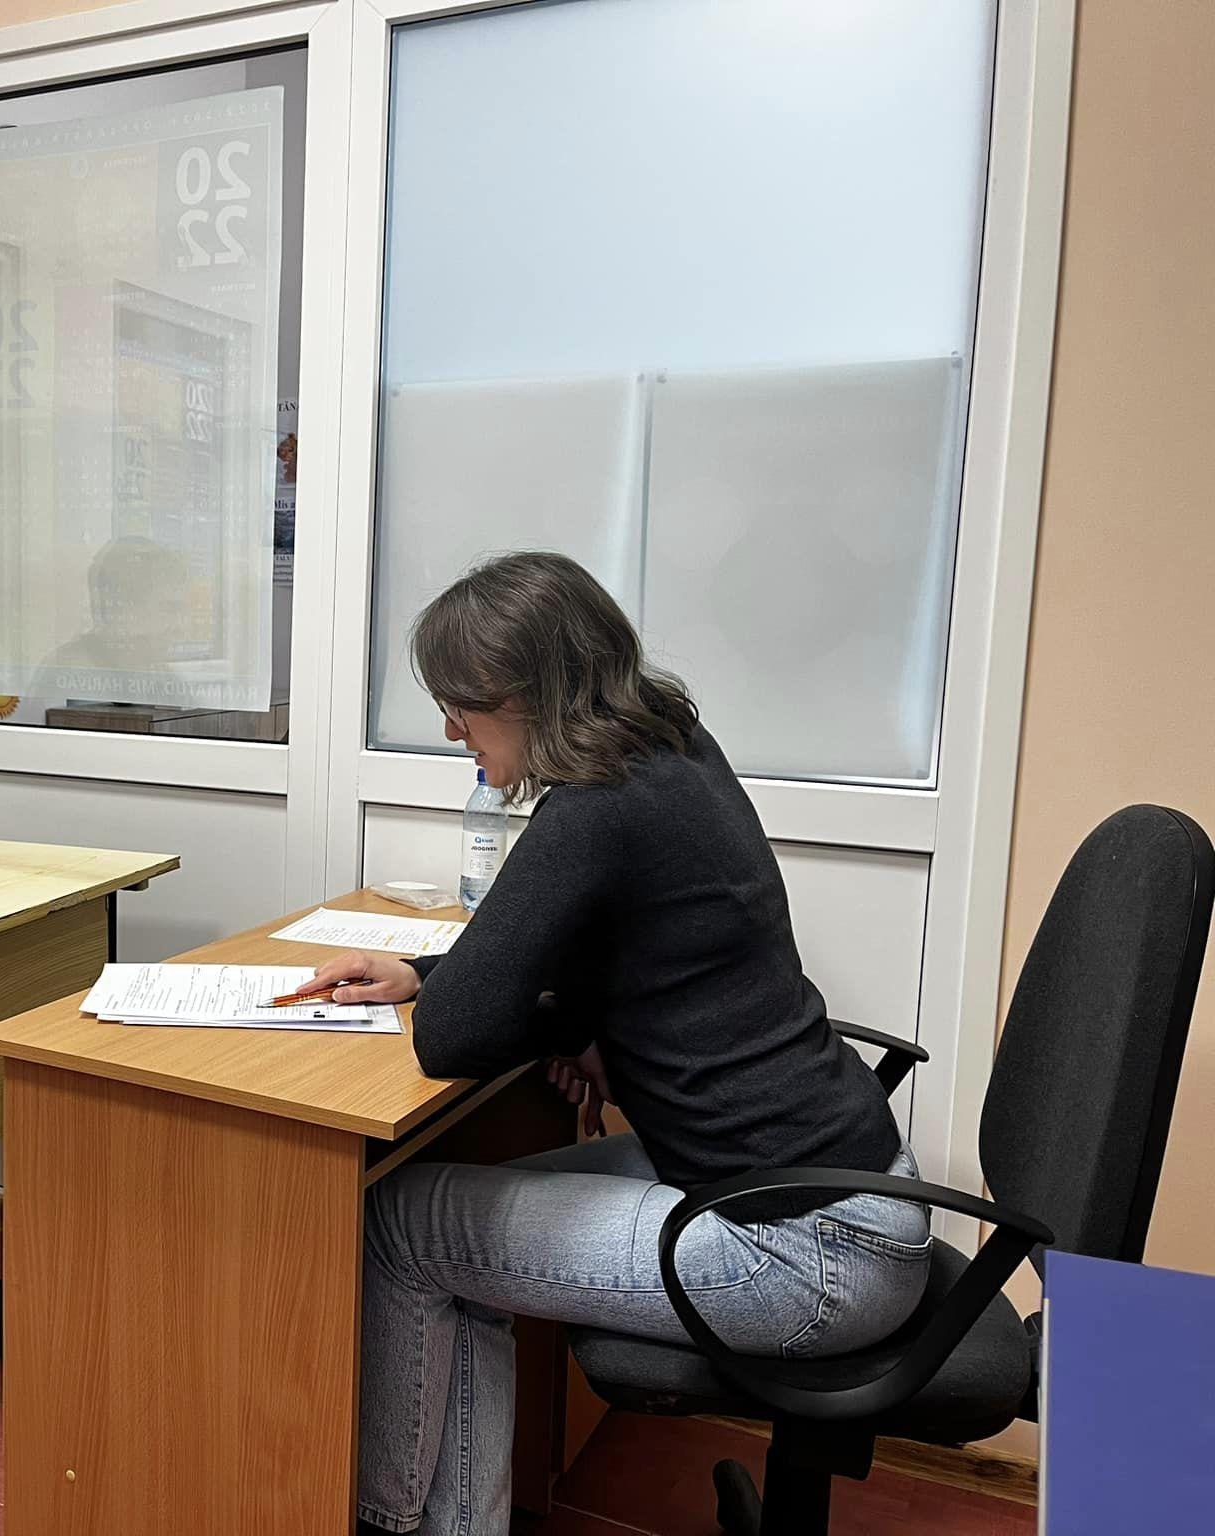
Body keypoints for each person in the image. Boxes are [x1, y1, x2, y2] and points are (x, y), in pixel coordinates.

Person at [305, 552, 932, 1536]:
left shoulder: (595, 809)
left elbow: (457, 1035)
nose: (451, 732)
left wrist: (536, 1012)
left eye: (458, 707)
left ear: (521, 694)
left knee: (401, 1225)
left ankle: (398, 1527)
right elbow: (603, 957)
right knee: (463, 1214)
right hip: (848, 1188)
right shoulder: (675, 748)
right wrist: (439, 975)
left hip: (801, 1253)